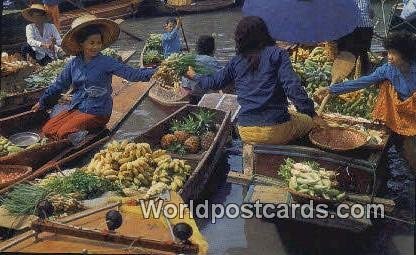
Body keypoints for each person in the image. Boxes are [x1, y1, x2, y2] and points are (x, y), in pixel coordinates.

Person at [184, 16, 325, 145]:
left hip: (245, 130)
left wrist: (194, 76)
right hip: (275, 129)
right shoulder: (278, 54)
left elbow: (213, 82)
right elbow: (293, 88)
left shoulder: (236, 61)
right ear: (264, 34)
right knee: (309, 123)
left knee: (293, 116)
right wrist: (311, 113)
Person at [31, 15, 156, 139]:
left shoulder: (106, 62)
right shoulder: (74, 64)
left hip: (98, 111)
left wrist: (155, 72)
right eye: (91, 43)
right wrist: (42, 102)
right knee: (47, 130)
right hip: (78, 107)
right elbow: (58, 85)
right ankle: (77, 130)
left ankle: (87, 133)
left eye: (98, 43)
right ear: (82, 43)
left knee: (63, 133)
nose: (95, 47)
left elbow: (132, 74)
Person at [315, 31, 416, 167]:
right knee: (403, 148)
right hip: (404, 112)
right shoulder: (388, 69)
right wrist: (332, 89)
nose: (389, 57)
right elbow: (363, 81)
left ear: (405, 54)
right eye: (388, 52)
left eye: (393, 53)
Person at [182, 35, 223, 103]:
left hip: (190, 93)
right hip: (204, 95)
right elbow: (222, 78)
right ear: (212, 48)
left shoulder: (190, 59)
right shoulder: (212, 61)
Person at [337, 0, 374, 74]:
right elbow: (372, 14)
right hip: (367, 28)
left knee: (349, 49)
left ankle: (351, 70)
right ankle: (365, 70)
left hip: (354, 28)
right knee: (363, 51)